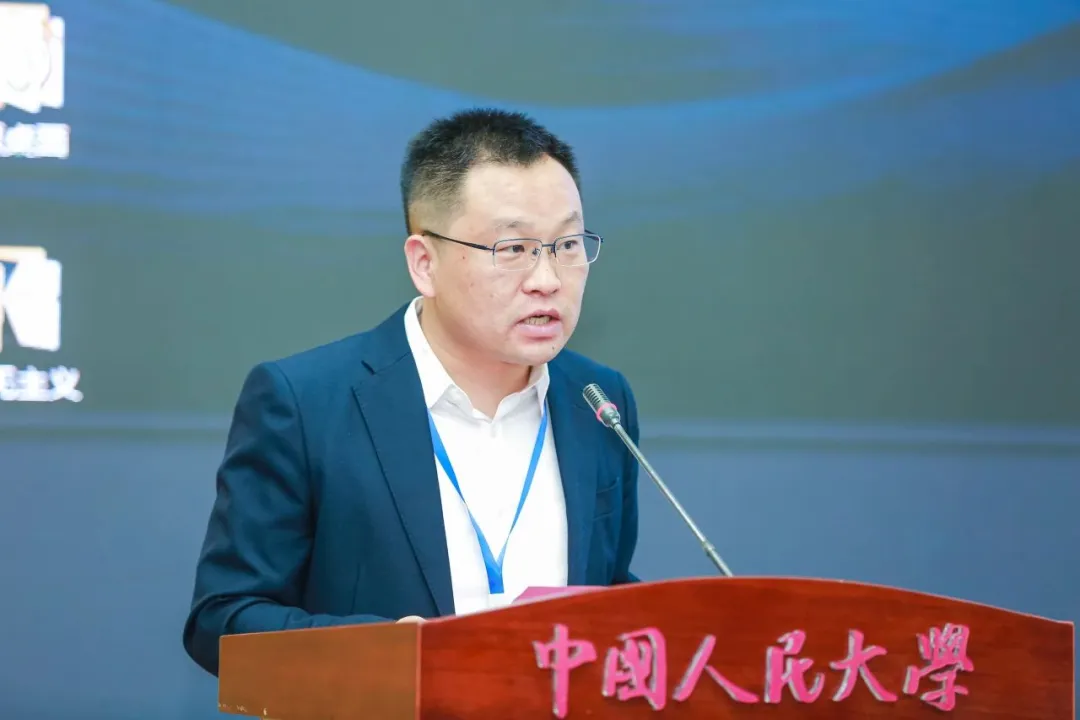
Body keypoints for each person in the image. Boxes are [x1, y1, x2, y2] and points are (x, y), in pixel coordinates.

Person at [181, 108, 641, 676]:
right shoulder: (305, 403)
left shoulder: (599, 400)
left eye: (567, 244)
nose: (548, 279)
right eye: (513, 248)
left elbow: (608, 586)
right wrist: (384, 654)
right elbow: (223, 622)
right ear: (425, 263)